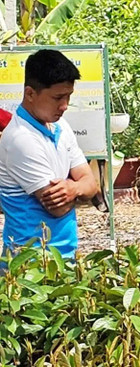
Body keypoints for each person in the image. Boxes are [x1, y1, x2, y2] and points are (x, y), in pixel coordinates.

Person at [0, 50, 99, 257]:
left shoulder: (60, 127)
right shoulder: (20, 139)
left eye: (68, 96)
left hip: (64, 257)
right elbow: (58, 209)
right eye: (57, 98)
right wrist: (81, 188)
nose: (64, 106)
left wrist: (73, 188)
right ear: (30, 94)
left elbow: (93, 185)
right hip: (30, 263)